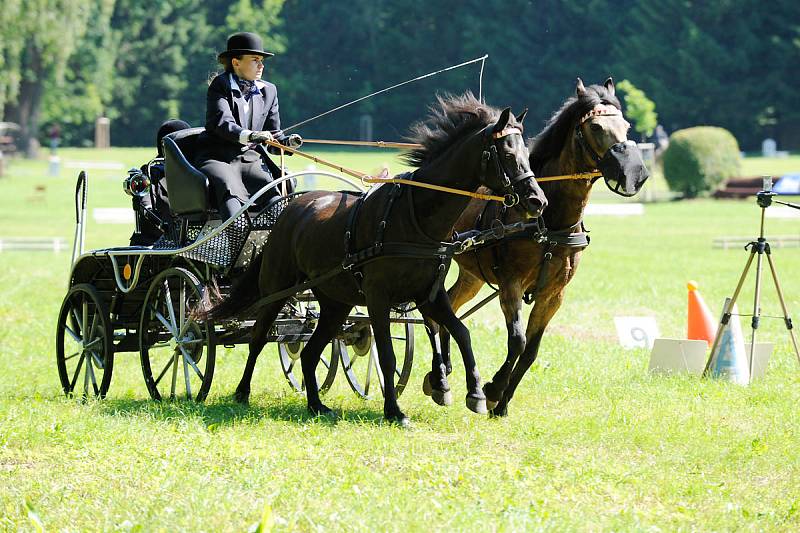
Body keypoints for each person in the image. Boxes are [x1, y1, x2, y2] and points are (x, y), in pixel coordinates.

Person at [195, 31, 302, 219]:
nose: (261, 65)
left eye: (262, 60)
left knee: (272, 196)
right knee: (229, 191)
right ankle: (237, 239)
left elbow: (273, 136)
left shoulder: (269, 91)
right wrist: (251, 135)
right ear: (236, 62)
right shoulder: (220, 85)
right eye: (255, 60)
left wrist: (286, 143)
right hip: (218, 158)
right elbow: (221, 123)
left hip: (250, 159)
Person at [129, 119, 191, 245]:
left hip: (194, 241)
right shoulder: (151, 172)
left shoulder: (196, 172)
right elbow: (147, 207)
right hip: (156, 242)